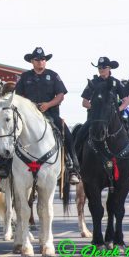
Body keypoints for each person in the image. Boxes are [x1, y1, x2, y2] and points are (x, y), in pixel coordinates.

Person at [15, 47, 80, 184]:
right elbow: (18, 97)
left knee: (67, 133)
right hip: (29, 115)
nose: (40, 62)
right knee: (12, 130)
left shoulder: (53, 75)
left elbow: (61, 95)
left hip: (50, 112)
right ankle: (5, 164)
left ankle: (72, 166)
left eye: (43, 59)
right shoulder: (25, 77)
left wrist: (48, 105)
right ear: (32, 61)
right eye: (37, 60)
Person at [74, 57, 129, 165]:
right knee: (80, 134)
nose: (101, 70)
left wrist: (117, 110)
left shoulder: (116, 82)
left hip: (115, 118)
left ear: (109, 68)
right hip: (95, 118)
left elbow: (126, 101)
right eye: (99, 67)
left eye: (104, 67)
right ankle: (75, 163)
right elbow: (84, 102)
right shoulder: (93, 82)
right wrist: (96, 108)